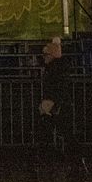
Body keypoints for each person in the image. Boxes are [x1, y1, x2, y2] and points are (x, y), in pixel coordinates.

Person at [38, 37, 82, 174]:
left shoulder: (53, 70)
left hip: (56, 106)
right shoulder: (60, 68)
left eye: (46, 55)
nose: (44, 58)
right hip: (59, 105)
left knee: (49, 133)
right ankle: (76, 160)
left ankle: (45, 160)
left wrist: (51, 103)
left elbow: (56, 88)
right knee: (67, 134)